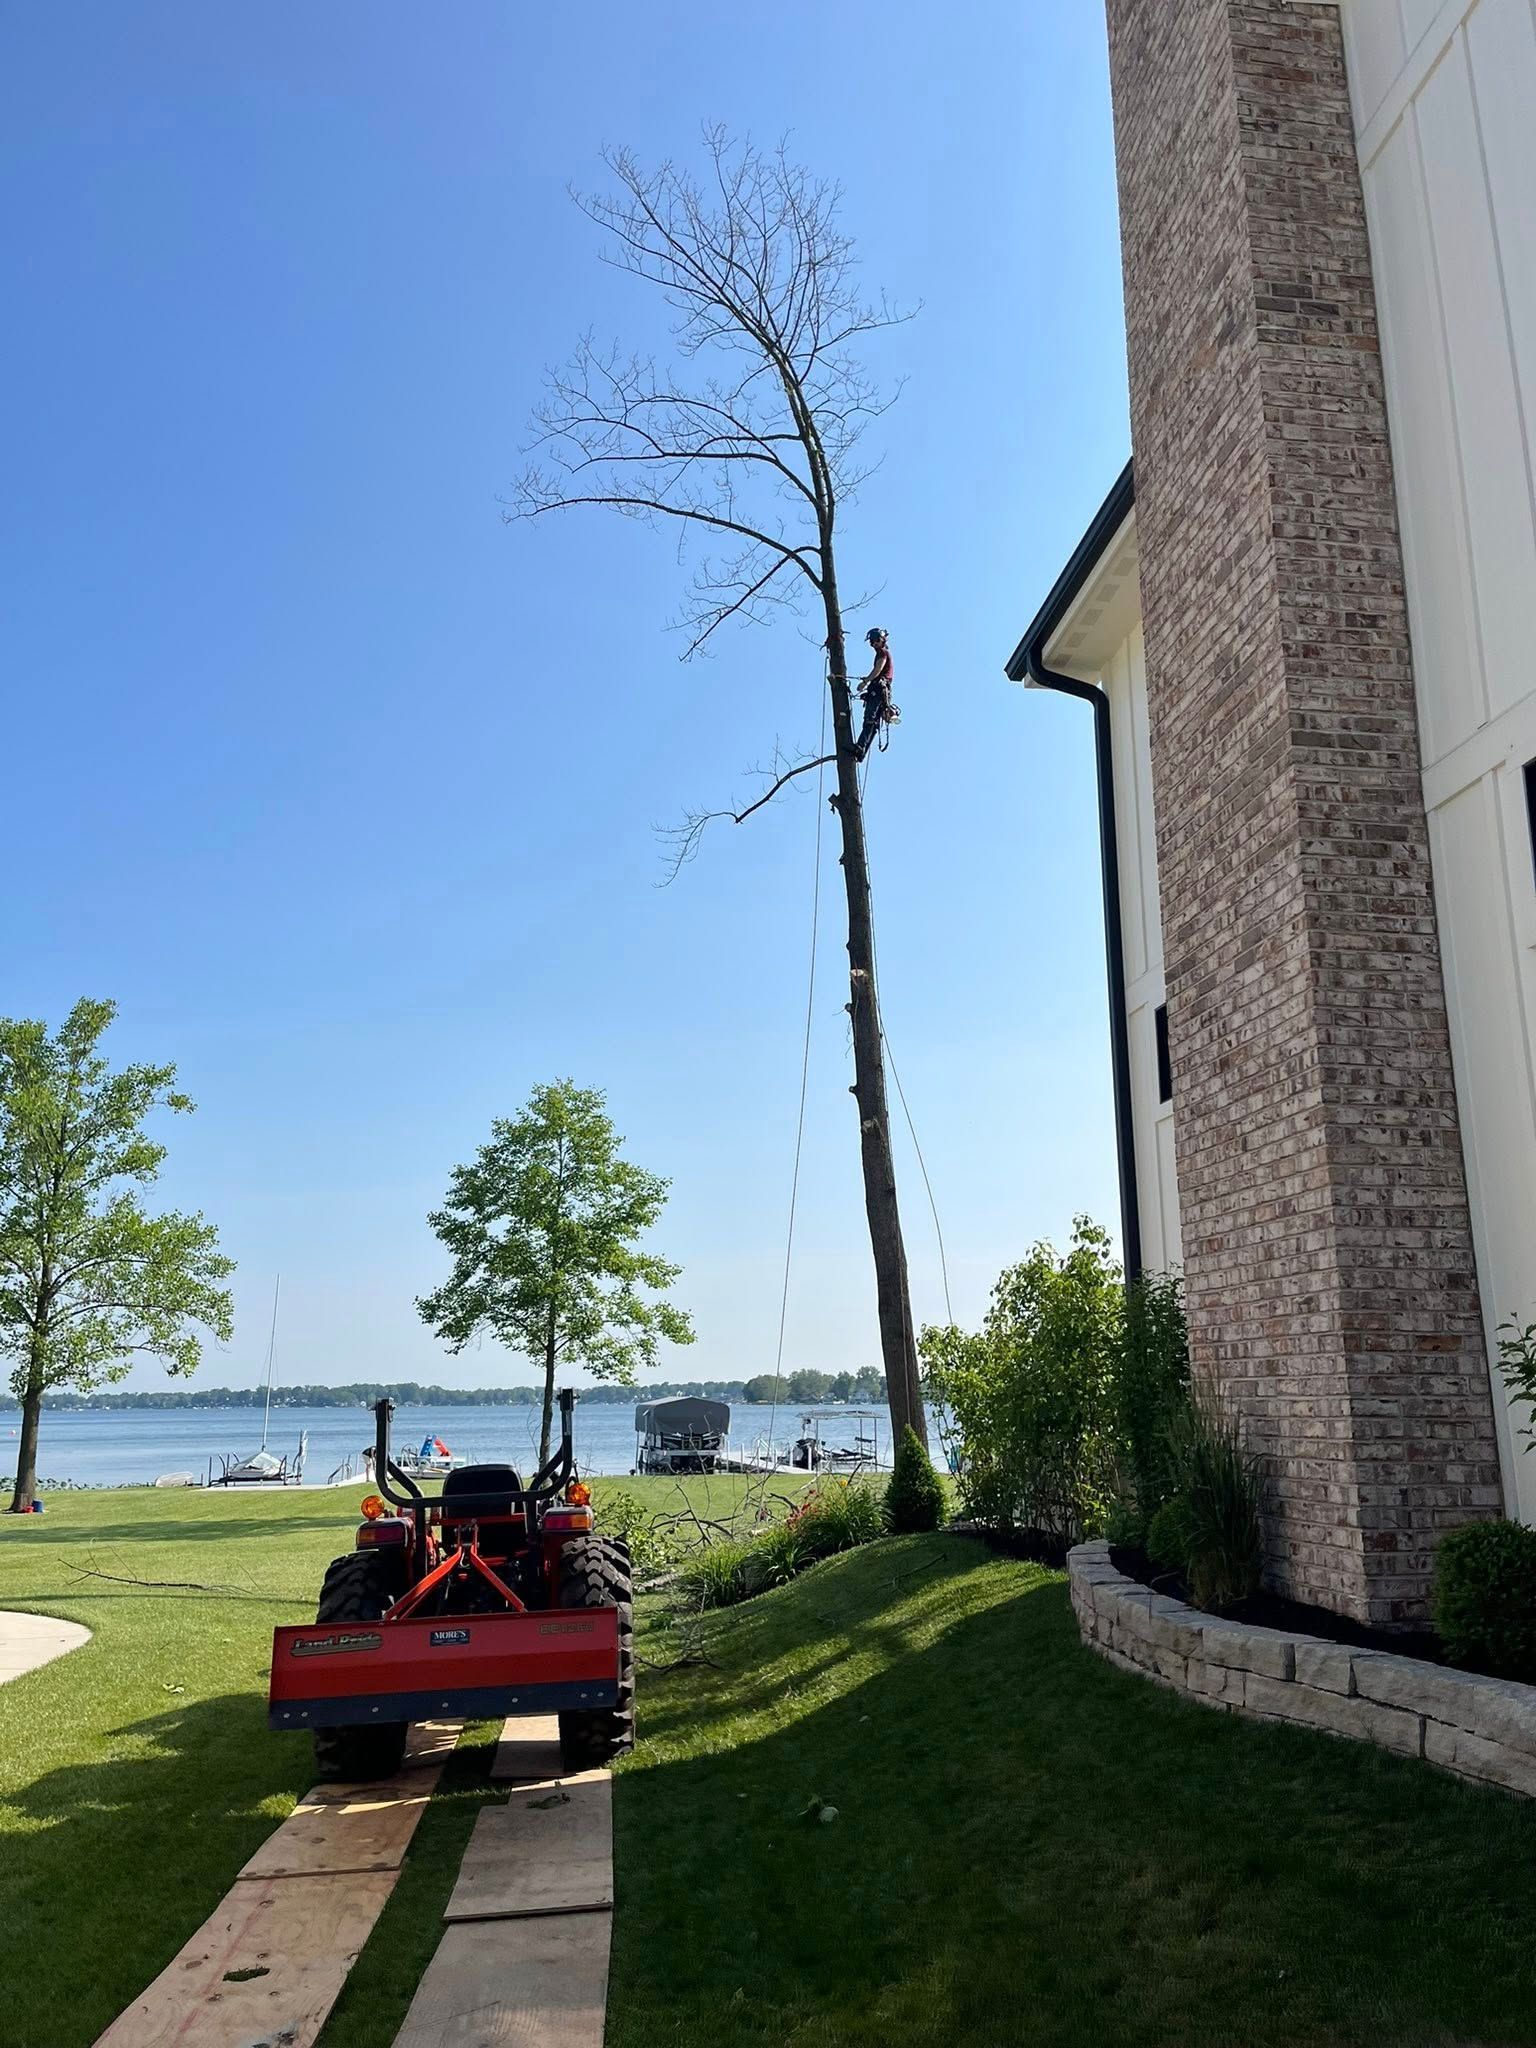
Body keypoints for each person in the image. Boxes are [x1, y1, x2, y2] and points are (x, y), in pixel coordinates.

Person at [853, 627, 895, 761]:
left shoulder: (883, 653)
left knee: (870, 719)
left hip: (878, 690)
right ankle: (861, 752)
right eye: (872, 642)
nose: (874, 644)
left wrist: (865, 682)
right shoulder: (882, 653)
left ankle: (860, 746)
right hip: (881, 691)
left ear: (882, 640)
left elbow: (878, 669)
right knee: (873, 723)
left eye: (876, 641)